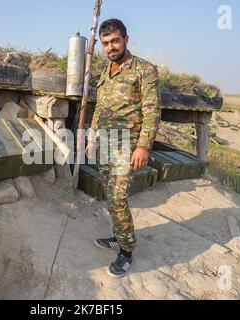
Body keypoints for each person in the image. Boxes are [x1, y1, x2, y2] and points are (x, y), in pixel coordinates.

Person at [86, 19, 161, 278]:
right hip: (106, 145)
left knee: (117, 198)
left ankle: (126, 250)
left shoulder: (144, 70)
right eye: (105, 43)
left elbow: (152, 112)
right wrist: (92, 137)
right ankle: (120, 236)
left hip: (127, 146)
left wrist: (143, 146)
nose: (110, 47)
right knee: (110, 195)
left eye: (115, 41)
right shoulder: (105, 72)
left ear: (126, 39)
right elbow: (99, 108)